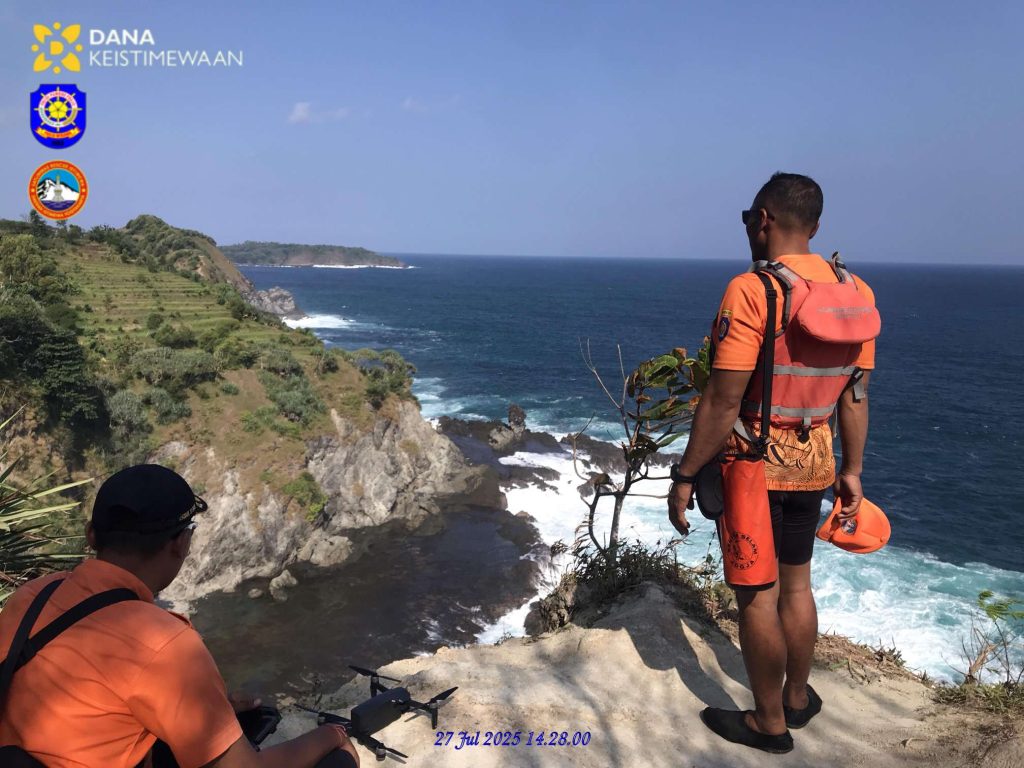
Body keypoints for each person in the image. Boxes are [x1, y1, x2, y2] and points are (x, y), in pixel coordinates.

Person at [666, 173, 877, 753]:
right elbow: (854, 396)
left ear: (763, 218)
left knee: (756, 595)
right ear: (814, 225)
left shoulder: (754, 290)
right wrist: (851, 471)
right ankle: (796, 697)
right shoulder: (855, 292)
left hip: (752, 468)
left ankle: (767, 723)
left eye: (748, 220)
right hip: (815, 462)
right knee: (797, 585)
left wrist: (685, 476)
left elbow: (722, 399)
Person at [0, 464, 360, 768]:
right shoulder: (161, 642)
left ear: (92, 536)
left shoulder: (33, 595)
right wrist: (332, 734)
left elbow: (89, 705)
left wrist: (211, 711)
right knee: (338, 758)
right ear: (180, 544)